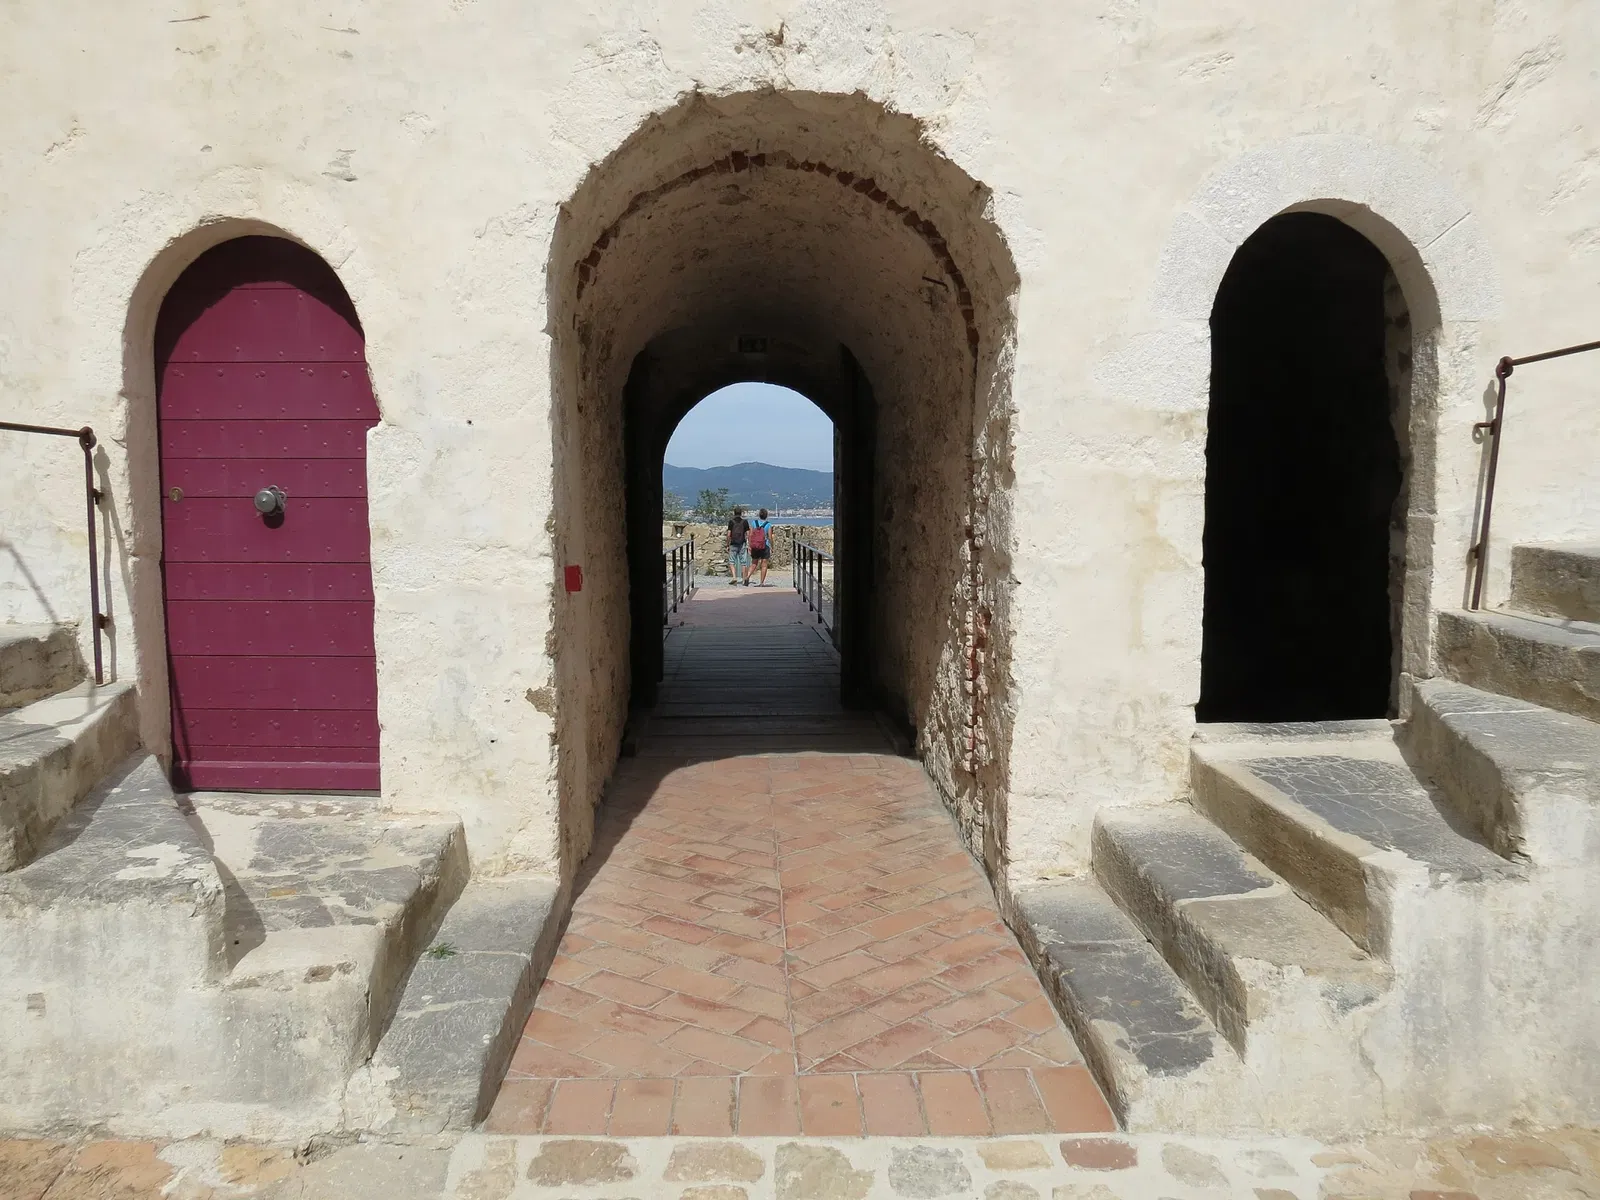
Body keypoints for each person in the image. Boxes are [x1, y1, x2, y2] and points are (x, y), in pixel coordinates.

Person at [748, 508, 774, 586]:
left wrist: (750, 545)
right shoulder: (768, 524)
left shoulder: (754, 523)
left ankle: (747, 576)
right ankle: (761, 582)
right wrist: (772, 546)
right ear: (766, 516)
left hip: (755, 546)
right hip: (765, 546)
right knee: (764, 564)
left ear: (759, 515)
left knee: (754, 563)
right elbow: (769, 537)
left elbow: (750, 535)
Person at [726, 506, 751, 586]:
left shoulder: (731, 522)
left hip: (733, 543)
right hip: (742, 543)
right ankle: (744, 579)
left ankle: (734, 577)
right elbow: (748, 533)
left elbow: (729, 534)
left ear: (734, 513)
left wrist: (727, 544)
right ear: (741, 513)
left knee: (732, 561)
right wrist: (748, 543)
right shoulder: (745, 522)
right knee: (743, 562)